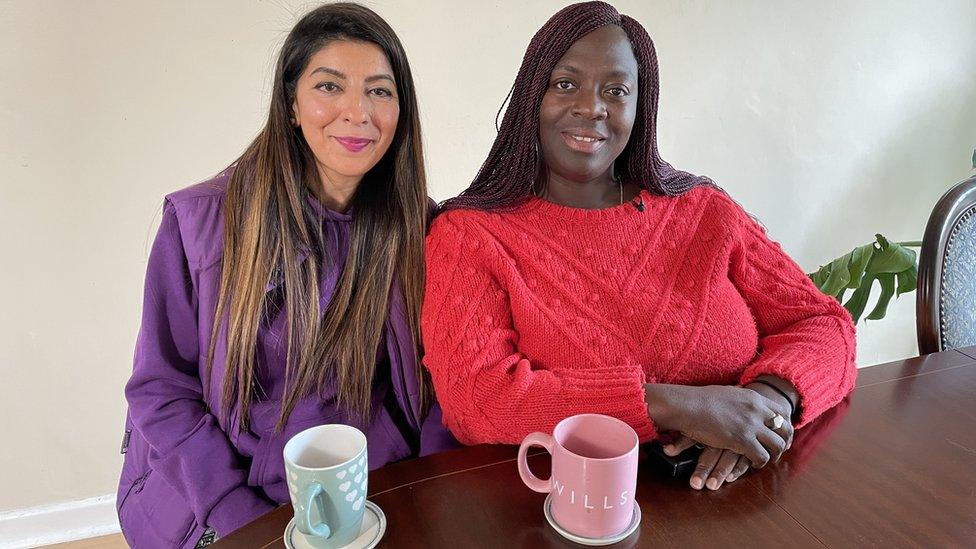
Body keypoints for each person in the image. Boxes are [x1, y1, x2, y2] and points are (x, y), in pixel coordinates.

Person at [422, 1, 856, 494]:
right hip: (563, 509)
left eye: (616, 90)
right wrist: (679, 406)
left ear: (640, 106)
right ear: (530, 97)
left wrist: (766, 403)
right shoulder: (471, 235)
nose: (591, 106)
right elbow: (477, 400)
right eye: (566, 84)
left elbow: (823, 322)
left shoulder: (702, 210)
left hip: (748, 499)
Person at [117, 4, 455, 547]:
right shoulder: (200, 222)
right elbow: (161, 390)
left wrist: (429, 493)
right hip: (229, 498)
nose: (357, 112)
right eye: (329, 86)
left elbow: (444, 385)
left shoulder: (423, 231)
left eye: (379, 91)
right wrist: (238, 516)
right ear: (291, 104)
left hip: (377, 494)